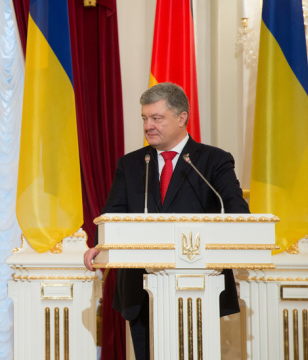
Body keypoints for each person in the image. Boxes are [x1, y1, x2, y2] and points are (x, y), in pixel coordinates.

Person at [83, 83, 248, 360]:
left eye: (156, 118)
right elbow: (112, 215)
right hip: (140, 288)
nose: (148, 126)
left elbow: (235, 212)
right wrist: (102, 245)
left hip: (199, 287)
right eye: (145, 118)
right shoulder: (131, 164)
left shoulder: (213, 161)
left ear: (181, 118)